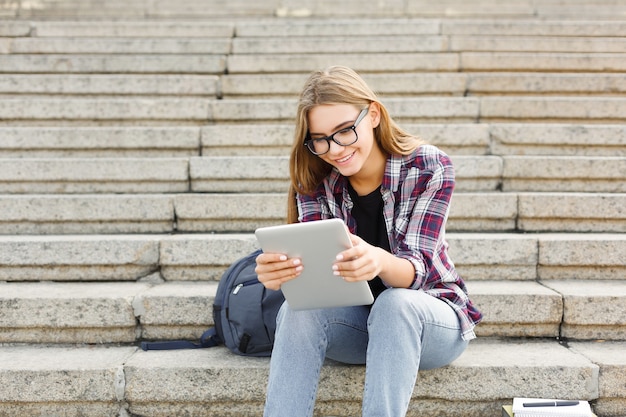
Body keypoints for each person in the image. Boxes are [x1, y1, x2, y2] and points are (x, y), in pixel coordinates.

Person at [255, 66, 482, 417]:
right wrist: (283, 276)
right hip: (358, 327)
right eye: (320, 139)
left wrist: (378, 260)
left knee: (395, 304)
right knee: (296, 311)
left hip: (429, 321)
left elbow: (417, 269)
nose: (334, 149)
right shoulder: (317, 182)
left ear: (372, 115)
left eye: (345, 131)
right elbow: (320, 285)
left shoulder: (427, 166)